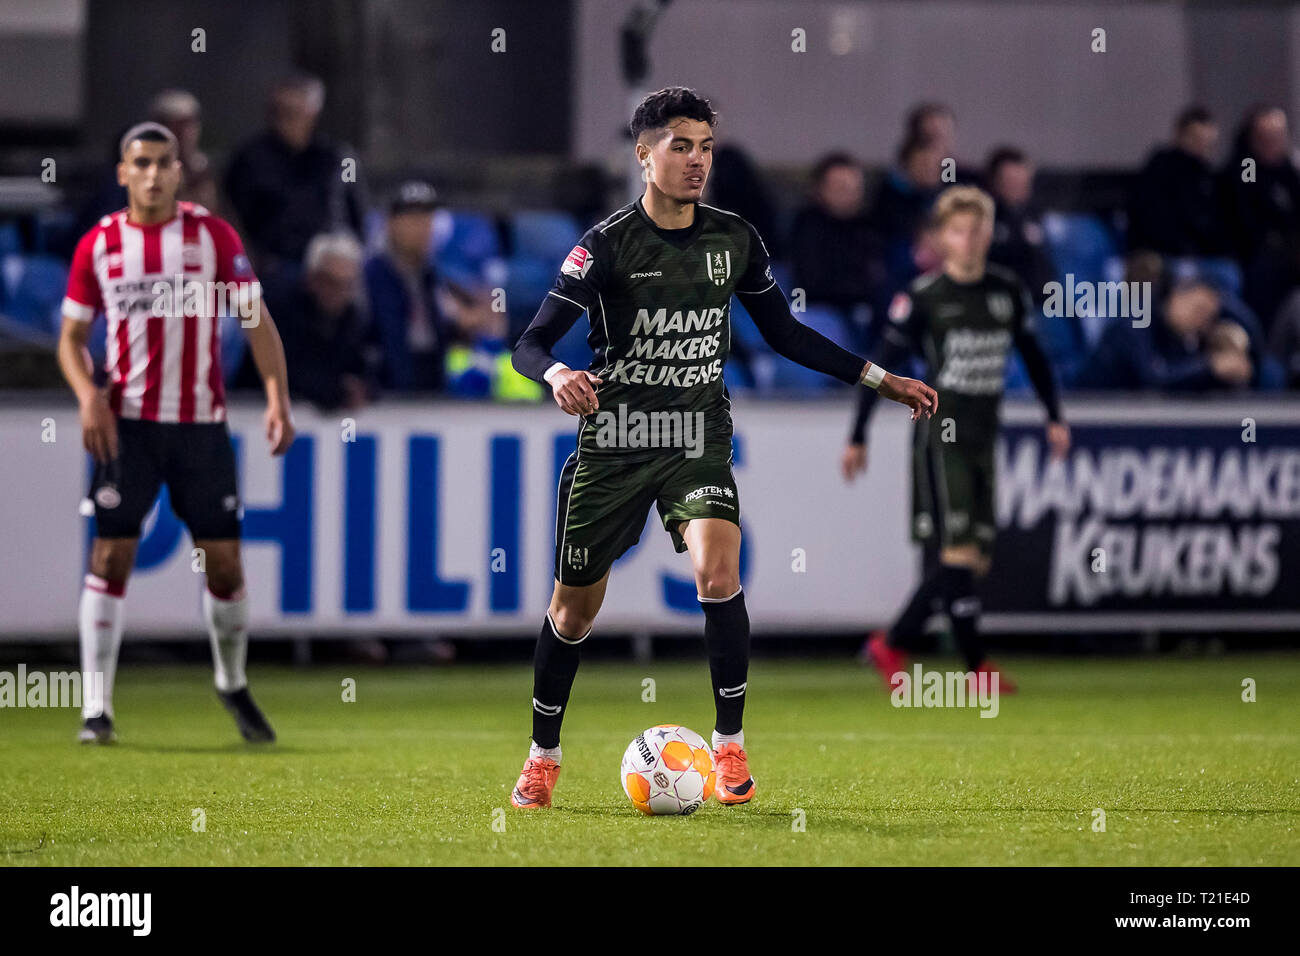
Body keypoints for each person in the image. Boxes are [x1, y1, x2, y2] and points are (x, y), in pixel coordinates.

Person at [507, 87, 937, 810]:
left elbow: (786, 334)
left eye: (706, 147)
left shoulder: (735, 239)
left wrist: (877, 376)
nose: (697, 160)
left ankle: (730, 746)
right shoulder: (607, 245)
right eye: (681, 146)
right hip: (614, 442)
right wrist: (556, 374)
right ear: (644, 155)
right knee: (572, 611)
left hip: (696, 436)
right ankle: (542, 755)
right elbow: (530, 341)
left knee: (716, 567)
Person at [56, 122, 295, 744]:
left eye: (165, 162)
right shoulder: (100, 246)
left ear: (178, 171)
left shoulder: (212, 237)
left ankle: (231, 681)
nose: (154, 174)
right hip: (127, 425)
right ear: (122, 172)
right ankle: (96, 708)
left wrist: (276, 397)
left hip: (200, 427)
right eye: (142, 163)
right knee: (111, 553)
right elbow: (72, 340)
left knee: (224, 562)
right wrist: (88, 398)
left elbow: (255, 320)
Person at [842, 186, 1069, 692]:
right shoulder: (924, 297)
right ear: (942, 238)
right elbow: (881, 366)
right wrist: (858, 435)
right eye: (960, 231)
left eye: (979, 230)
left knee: (970, 559)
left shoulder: (1006, 290)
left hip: (985, 436)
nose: (970, 241)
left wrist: (1055, 415)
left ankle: (903, 645)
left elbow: (1034, 357)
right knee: (959, 552)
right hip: (940, 437)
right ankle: (966, 665)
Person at [223, 74, 365, 278]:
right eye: (278, 112)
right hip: (274, 267)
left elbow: (357, 216)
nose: (285, 120)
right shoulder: (250, 160)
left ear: (313, 113)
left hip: (330, 268)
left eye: (293, 113)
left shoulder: (340, 159)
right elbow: (233, 216)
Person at [1074, 279, 1252, 391]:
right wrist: (1211, 367)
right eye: (1199, 309)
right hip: (1089, 413)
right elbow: (1153, 377)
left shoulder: (1185, 340)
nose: (1202, 321)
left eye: (1209, 318)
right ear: (1176, 296)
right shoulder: (1137, 321)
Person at [272, 231, 371, 411]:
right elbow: (288, 373)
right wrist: (336, 390)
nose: (339, 293)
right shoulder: (282, 313)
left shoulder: (353, 319)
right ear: (311, 278)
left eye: (347, 284)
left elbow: (366, 369)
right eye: (331, 282)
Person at [788, 152, 888, 327]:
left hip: (869, 314)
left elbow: (881, 278)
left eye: (854, 188)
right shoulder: (807, 225)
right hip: (820, 313)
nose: (849, 194)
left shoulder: (870, 225)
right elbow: (811, 283)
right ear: (818, 190)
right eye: (840, 187)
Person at [1128, 106, 1221, 258]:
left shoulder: (1206, 175)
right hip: (1162, 251)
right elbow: (1154, 220)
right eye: (1197, 139)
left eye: (1209, 143)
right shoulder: (1161, 168)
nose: (1202, 147)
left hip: (1198, 253)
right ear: (1179, 134)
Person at [149, 88, 219, 211]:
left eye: (187, 124)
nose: (181, 132)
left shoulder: (209, 169)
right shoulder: (142, 170)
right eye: (173, 125)